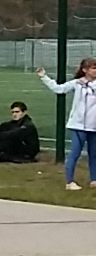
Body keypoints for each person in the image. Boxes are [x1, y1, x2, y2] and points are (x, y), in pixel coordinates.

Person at [38, 61, 96, 189]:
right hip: (78, 125)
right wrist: (44, 77)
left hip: (94, 126)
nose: (95, 71)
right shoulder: (77, 83)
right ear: (85, 70)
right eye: (93, 68)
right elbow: (59, 89)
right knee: (74, 153)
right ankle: (69, 182)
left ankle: (94, 179)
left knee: (94, 154)